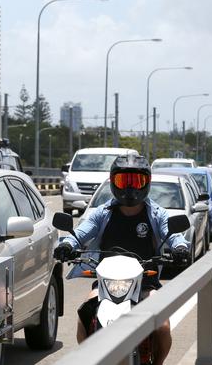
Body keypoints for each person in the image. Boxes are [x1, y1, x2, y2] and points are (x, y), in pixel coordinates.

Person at [53, 154, 190, 365]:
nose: (130, 188)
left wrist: (180, 247)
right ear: (113, 181)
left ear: (147, 183)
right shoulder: (102, 213)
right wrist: (66, 245)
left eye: (136, 181)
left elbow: (173, 235)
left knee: (162, 327)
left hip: (146, 282)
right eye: (123, 181)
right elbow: (80, 233)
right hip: (106, 284)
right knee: (83, 317)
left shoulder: (157, 213)